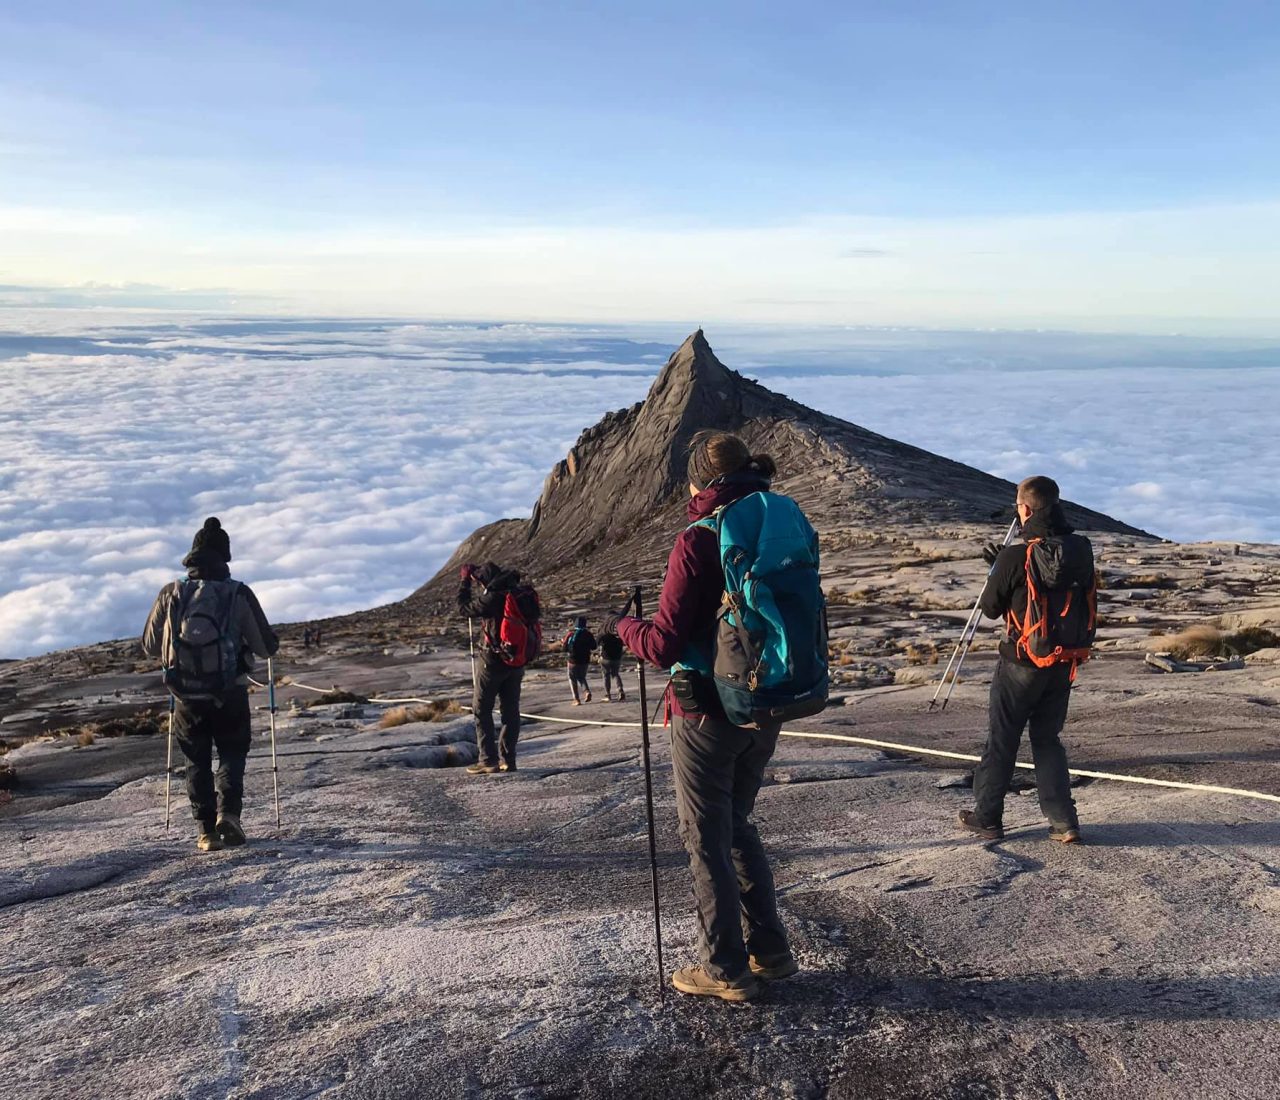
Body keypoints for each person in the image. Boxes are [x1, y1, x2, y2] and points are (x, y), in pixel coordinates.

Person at [613, 430, 798, 1003]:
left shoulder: (700, 539)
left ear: (698, 482)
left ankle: (724, 969)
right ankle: (771, 951)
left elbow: (664, 644)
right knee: (738, 825)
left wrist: (624, 629)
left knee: (706, 839)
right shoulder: (778, 521)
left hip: (707, 713)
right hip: (765, 702)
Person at [959, 476, 1092, 845]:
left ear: (1026, 509)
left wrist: (998, 567)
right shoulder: (1080, 550)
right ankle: (1064, 822)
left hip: (1022, 662)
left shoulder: (1017, 554)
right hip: (1064, 661)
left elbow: (989, 608)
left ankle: (987, 818)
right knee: (1048, 739)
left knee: (1002, 739)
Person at [142, 517, 279, 852]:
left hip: (186, 694)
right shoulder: (238, 593)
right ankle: (229, 816)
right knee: (232, 752)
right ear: (225, 557)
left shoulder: (171, 593)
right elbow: (266, 647)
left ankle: (205, 832)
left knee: (196, 761)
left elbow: (148, 645)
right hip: (229, 692)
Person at [458, 561, 531, 774]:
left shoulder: (493, 597)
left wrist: (464, 582)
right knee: (511, 711)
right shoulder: (519, 594)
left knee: (481, 709)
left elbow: (464, 608)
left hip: (493, 660)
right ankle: (509, 760)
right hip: (517, 660)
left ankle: (488, 760)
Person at [562, 616, 597, 704]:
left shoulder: (571, 634)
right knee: (581, 677)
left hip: (573, 660)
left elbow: (564, 648)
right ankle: (586, 691)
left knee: (572, 678)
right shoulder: (588, 634)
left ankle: (576, 699)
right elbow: (594, 647)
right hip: (585, 660)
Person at [599, 625, 626, 702]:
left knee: (606, 676)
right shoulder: (619, 638)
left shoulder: (605, 637)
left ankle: (608, 694)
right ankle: (620, 690)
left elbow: (600, 646)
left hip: (606, 659)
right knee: (615, 674)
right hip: (616, 659)